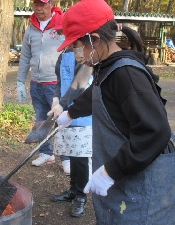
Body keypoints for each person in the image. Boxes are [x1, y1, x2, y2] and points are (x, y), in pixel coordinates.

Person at [56, 0, 175, 224]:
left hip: (144, 179)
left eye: (77, 45)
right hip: (127, 176)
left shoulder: (127, 75)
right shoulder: (107, 67)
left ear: (96, 39)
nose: (75, 51)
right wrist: (70, 114)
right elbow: (97, 93)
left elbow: (155, 131)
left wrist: (110, 171)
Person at [49, 13, 93, 217]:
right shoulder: (62, 55)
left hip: (84, 115)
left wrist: (64, 104)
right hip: (66, 113)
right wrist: (56, 99)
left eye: (61, 33)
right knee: (73, 154)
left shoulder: (84, 54)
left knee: (82, 158)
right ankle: (73, 190)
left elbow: (79, 84)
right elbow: (60, 82)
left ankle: (82, 196)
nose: (59, 36)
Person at [17, 0, 69, 170]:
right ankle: (46, 153)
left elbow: (71, 51)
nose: (38, 8)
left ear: (51, 4)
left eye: (42, 4)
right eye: (35, 4)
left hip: (55, 83)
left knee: (61, 120)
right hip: (36, 83)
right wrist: (20, 81)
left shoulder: (62, 23)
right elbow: (25, 56)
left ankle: (67, 158)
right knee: (41, 119)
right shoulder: (31, 27)